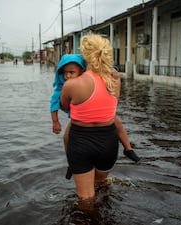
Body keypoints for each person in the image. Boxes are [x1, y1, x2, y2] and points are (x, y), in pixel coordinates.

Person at [59, 34, 139, 201]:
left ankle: (71, 167)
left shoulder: (72, 84)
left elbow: (64, 106)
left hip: (80, 141)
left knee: (86, 199)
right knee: (102, 185)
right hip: (108, 142)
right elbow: (112, 105)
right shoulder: (115, 79)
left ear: (84, 55)